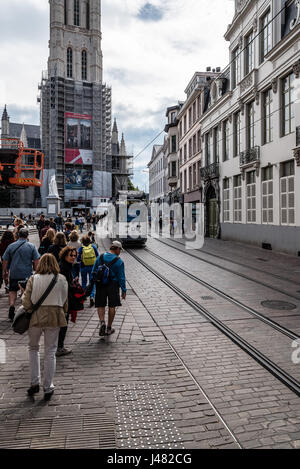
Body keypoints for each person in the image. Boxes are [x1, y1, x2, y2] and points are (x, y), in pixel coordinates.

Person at [22, 254, 68, 401]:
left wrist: (30, 310)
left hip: (36, 316)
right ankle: (48, 387)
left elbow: (26, 300)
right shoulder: (61, 279)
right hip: (54, 315)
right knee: (50, 351)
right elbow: (65, 300)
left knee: (33, 348)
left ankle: (34, 382)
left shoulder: (33, 278)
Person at [2, 228, 40, 321]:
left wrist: (5, 271)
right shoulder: (31, 246)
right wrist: (36, 270)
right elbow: (36, 260)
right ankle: (23, 311)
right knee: (25, 292)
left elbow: (5, 259)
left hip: (14, 272)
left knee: (12, 290)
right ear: (27, 235)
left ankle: (11, 306)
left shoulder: (11, 246)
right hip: (26, 273)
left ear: (18, 235)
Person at [92, 240, 126, 337]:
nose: (120, 252)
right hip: (113, 285)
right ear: (117, 249)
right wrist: (124, 290)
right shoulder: (119, 261)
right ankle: (109, 328)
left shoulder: (100, 257)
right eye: (120, 250)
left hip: (100, 284)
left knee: (101, 304)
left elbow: (93, 271)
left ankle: (102, 322)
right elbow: (121, 277)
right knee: (112, 306)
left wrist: (94, 284)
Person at [57, 247, 78, 356]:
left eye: (74, 255)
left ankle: (58, 346)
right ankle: (59, 347)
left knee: (62, 323)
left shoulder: (66, 266)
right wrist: (73, 285)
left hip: (63, 299)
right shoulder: (64, 267)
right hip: (63, 300)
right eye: (71, 255)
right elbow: (64, 285)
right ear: (65, 255)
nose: (73, 257)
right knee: (63, 324)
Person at [78, 235, 99, 308]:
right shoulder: (93, 247)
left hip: (83, 267)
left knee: (84, 282)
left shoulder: (81, 248)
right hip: (92, 267)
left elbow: (78, 258)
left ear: (82, 242)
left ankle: (84, 296)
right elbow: (97, 256)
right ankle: (92, 297)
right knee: (92, 282)